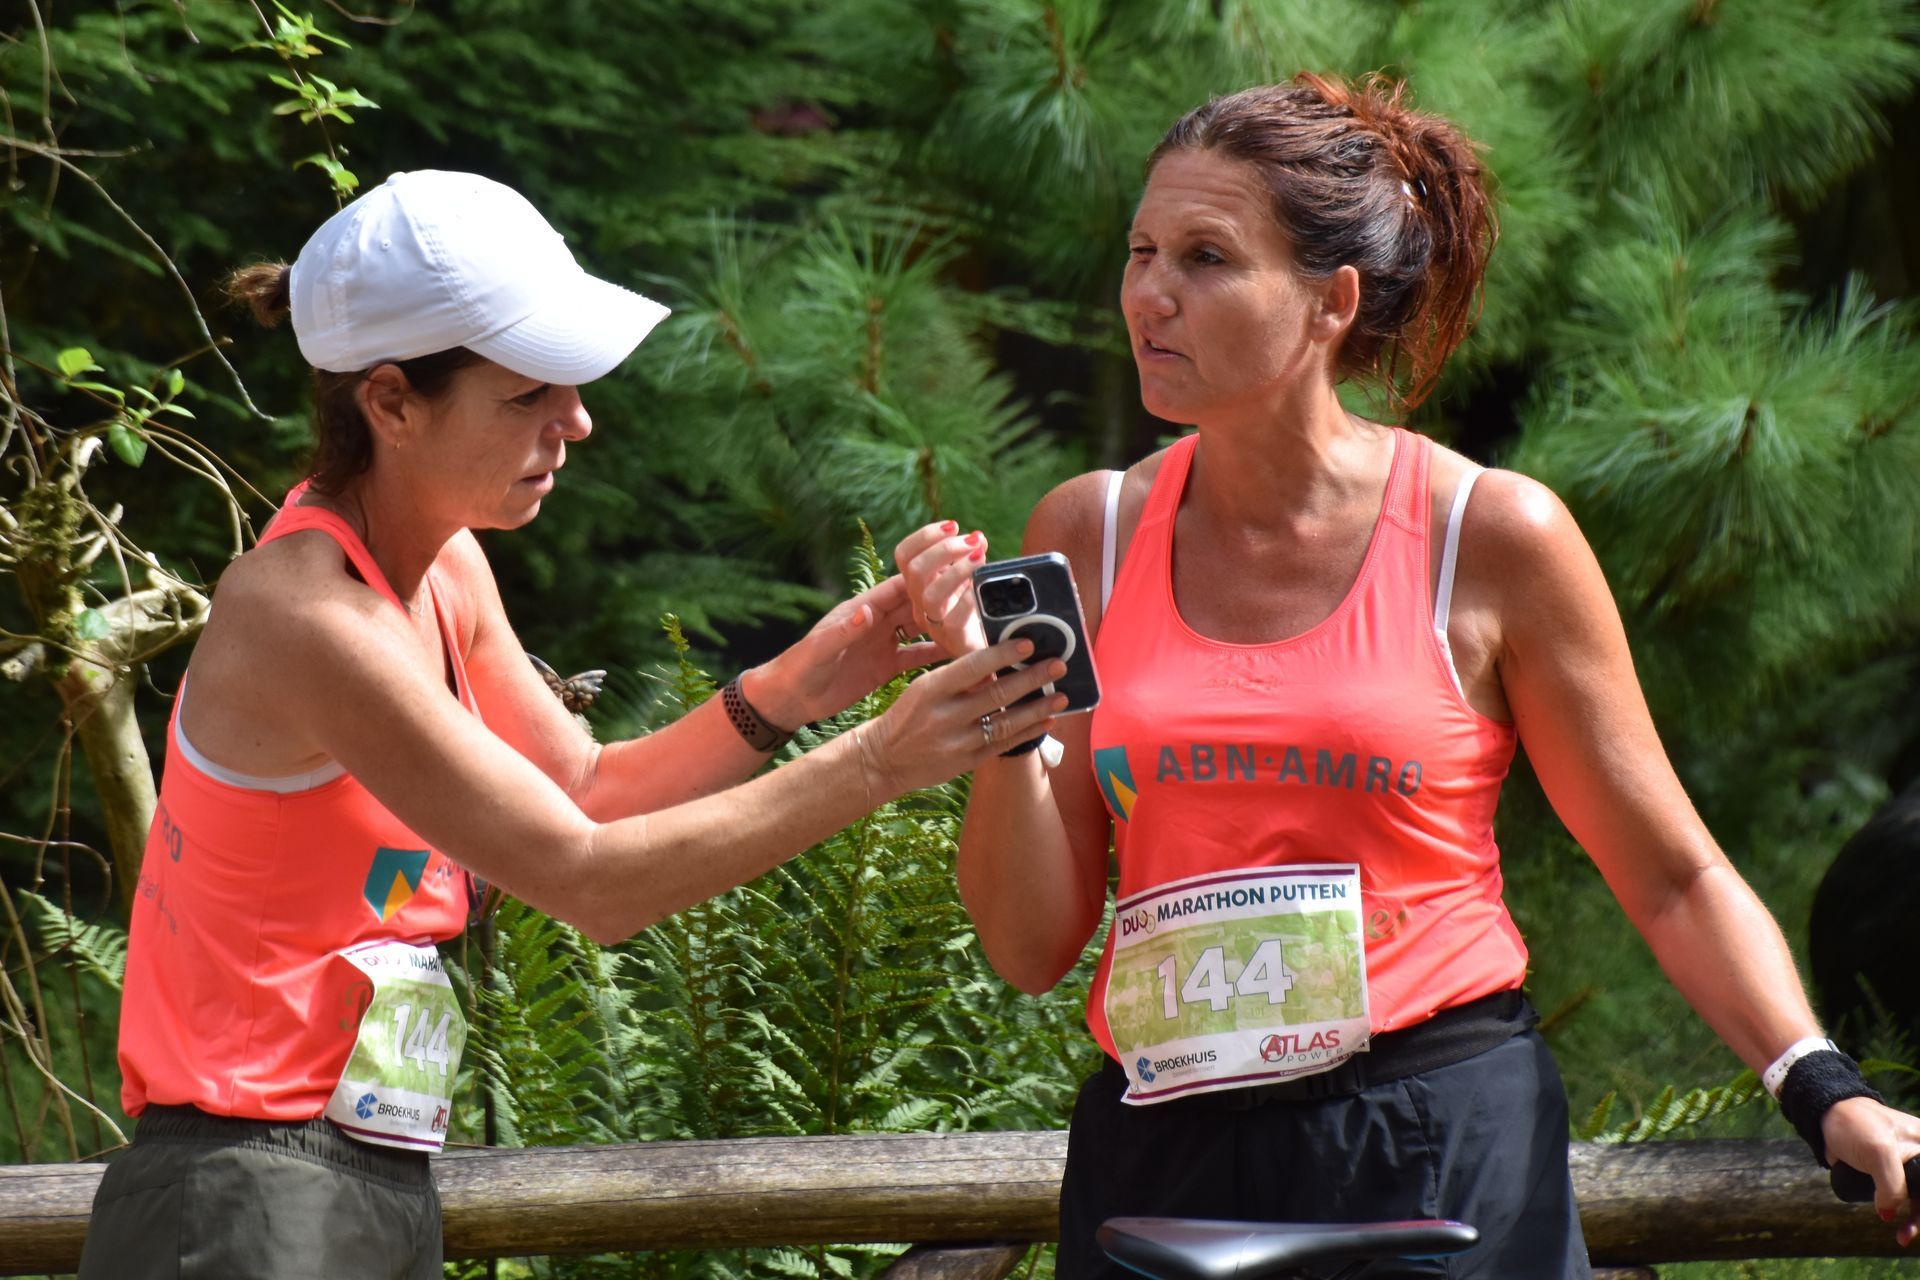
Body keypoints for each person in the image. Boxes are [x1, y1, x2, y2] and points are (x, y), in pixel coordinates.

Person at [895, 74, 1920, 1276]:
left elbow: (1670, 871)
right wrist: (1005, 723)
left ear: (1331, 301)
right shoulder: (1089, 532)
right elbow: (1028, 947)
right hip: (1164, 1148)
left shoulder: (1491, 536)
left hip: (1432, 1135)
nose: (1149, 294)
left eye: (1207, 258)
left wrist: (1824, 1086)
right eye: (1142, 251)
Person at [77, 170, 1068, 1280]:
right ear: (390, 402)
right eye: (526, 395)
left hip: (359, 1178)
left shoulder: (444, 565)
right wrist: (881, 757)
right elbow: (591, 881)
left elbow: (587, 790)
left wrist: (795, 687)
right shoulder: (304, 612)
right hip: (241, 1190)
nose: (577, 421)